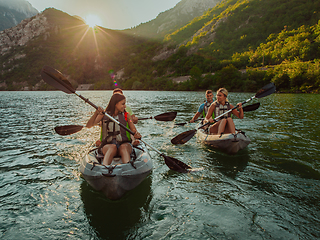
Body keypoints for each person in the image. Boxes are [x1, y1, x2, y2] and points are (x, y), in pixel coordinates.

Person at [86, 93, 141, 165]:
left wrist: (136, 134)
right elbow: (89, 125)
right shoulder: (103, 114)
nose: (125, 106)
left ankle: (128, 167)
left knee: (123, 147)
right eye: (123, 104)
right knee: (112, 147)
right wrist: (96, 113)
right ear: (116, 104)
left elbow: (133, 129)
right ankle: (105, 168)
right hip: (108, 145)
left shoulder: (127, 115)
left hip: (124, 144)